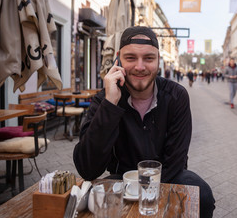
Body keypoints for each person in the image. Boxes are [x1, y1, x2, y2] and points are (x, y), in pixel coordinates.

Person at [73, 26, 215, 217]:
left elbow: (176, 161)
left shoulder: (176, 96)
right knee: (92, 198)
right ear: (118, 59)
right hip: (121, 179)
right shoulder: (105, 99)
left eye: (148, 58)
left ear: (158, 60)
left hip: (169, 177)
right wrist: (111, 105)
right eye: (130, 58)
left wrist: (145, 196)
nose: (140, 67)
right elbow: (88, 169)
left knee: (202, 194)